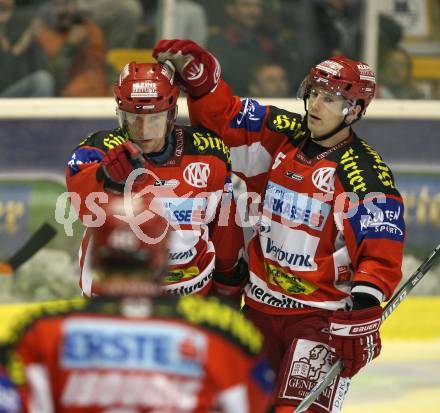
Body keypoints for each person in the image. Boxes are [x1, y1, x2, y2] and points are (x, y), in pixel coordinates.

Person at [153, 39, 406, 412]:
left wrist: (366, 305)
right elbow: (226, 120)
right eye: (315, 93)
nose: (317, 105)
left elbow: (380, 245)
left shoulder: (363, 171)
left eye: (331, 99)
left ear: (353, 111)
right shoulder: (283, 134)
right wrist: (201, 80)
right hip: (259, 309)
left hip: (318, 319)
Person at [3, 195, 274, 412]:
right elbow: (255, 401)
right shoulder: (222, 334)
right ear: (160, 260)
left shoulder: (42, 333)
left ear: (94, 259)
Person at [66, 60, 245, 298]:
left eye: (154, 118)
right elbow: (82, 206)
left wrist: (228, 286)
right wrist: (105, 180)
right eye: (134, 118)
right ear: (120, 113)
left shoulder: (209, 150)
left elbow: (224, 227)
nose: (144, 130)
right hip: (114, 297)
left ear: (172, 114)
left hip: (189, 297)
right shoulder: (98, 149)